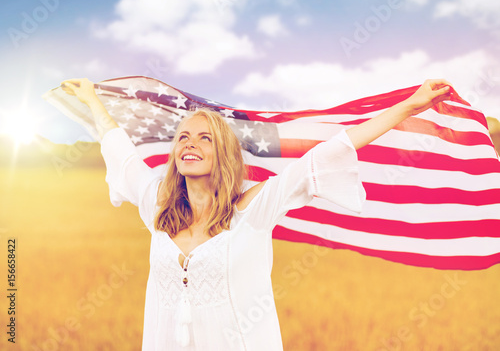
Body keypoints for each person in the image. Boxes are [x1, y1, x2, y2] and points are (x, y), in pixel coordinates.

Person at [61, 78, 452, 351]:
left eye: (204, 138)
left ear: (223, 155)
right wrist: (93, 99)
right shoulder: (157, 207)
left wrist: (408, 107)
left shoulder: (253, 208)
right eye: (183, 137)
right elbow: (120, 152)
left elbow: (326, 155)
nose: (190, 144)